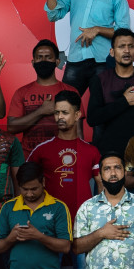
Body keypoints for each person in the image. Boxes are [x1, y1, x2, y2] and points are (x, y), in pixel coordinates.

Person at [44, 0, 133, 93]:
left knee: (102, 107)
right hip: (75, 60)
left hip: (103, 62)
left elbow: (123, 32)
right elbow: (53, 15)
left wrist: (97, 30)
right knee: (67, 103)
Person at [85, 29, 134, 159]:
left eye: (131, 46)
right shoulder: (100, 80)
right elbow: (93, 118)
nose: (126, 51)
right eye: (121, 46)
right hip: (110, 153)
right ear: (112, 52)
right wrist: (124, 101)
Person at [27, 89, 101, 219]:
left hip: (83, 221)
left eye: (65, 113)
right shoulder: (41, 150)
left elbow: (101, 186)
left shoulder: (92, 151)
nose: (60, 117)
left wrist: (98, 216)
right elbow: (27, 184)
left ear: (77, 115)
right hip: (49, 220)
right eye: (57, 113)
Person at [6, 40, 66, 160]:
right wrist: (41, 111)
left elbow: (78, 131)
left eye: (48, 57)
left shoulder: (69, 91)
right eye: (39, 57)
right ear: (33, 63)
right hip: (29, 159)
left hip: (62, 158)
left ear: (57, 62)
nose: (43, 61)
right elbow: (11, 127)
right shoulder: (21, 92)